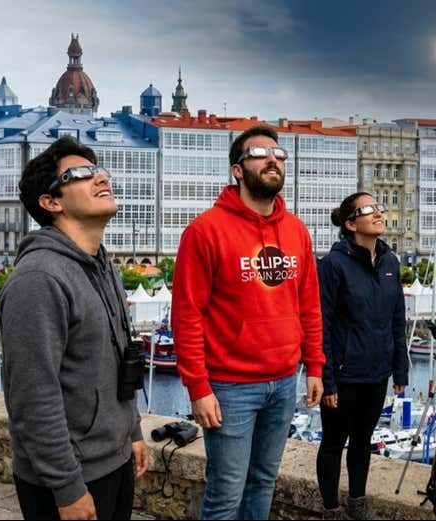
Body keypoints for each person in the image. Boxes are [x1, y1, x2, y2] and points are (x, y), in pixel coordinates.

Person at [172, 125, 325, 520]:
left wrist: (315, 366)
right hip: (230, 387)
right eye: (259, 154)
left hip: (284, 382)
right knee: (225, 495)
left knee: (263, 483)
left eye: (278, 154)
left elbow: (308, 305)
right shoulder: (205, 231)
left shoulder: (296, 231)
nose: (272, 160)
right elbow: (187, 314)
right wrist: (198, 387)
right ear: (238, 170)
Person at [0, 137, 149, 520]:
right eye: (80, 173)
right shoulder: (39, 279)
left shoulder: (103, 264)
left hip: (112, 461)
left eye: (98, 169)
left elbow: (117, 358)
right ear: (51, 202)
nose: (100, 177)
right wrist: (67, 488)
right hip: (68, 477)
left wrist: (130, 431)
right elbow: (33, 398)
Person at [316, 193, 409, 520]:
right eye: (368, 209)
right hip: (343, 374)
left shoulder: (390, 262)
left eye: (378, 208)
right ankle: (331, 509)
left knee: (362, 441)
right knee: (333, 442)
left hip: (377, 372)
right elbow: (322, 324)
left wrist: (400, 370)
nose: (378, 213)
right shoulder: (333, 265)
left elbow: (398, 318)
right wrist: (327, 381)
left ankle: (358, 503)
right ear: (351, 224)